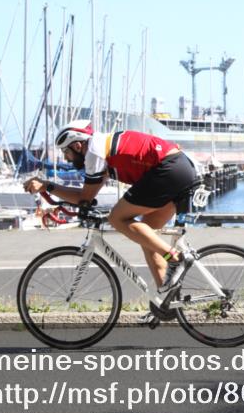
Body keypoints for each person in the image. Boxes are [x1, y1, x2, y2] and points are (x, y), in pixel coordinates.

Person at [23, 120, 201, 295]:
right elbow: (87, 196)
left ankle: (176, 259)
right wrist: (59, 195)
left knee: (116, 218)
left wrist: (47, 186)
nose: (65, 158)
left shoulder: (94, 152)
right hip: (179, 167)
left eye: (65, 152)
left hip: (169, 169)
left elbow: (84, 197)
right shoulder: (102, 147)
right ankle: (167, 302)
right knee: (147, 238)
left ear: (77, 146)